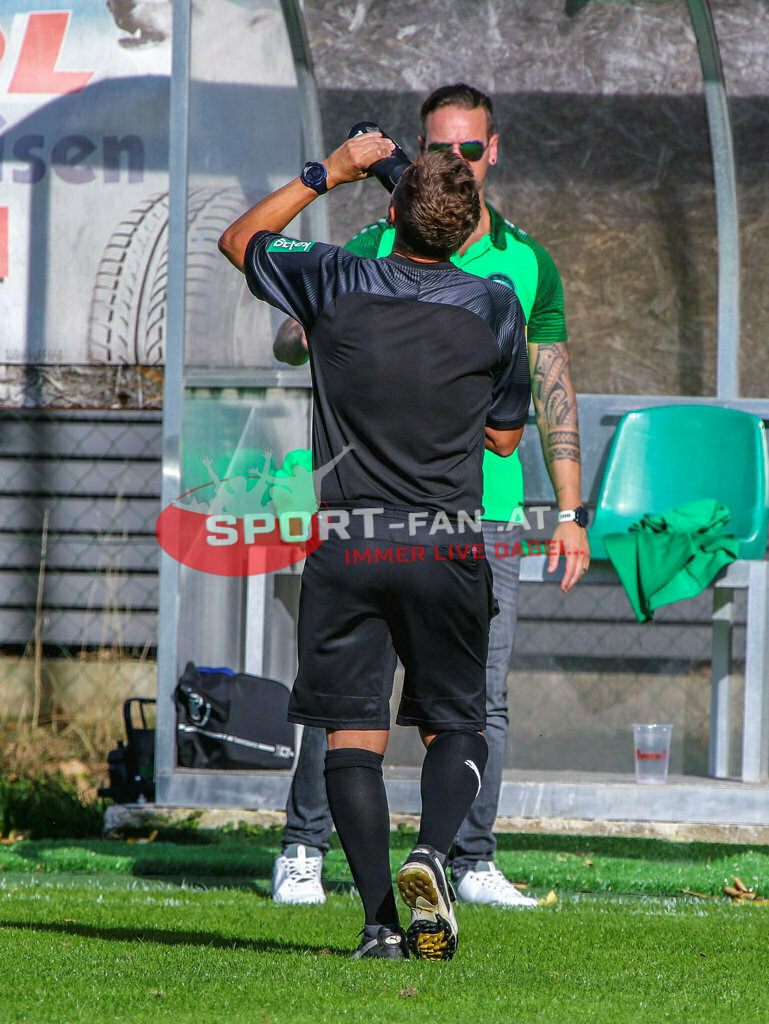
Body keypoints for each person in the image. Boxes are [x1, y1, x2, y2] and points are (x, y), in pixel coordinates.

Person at [271, 83, 591, 909]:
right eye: (439, 150)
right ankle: (306, 848)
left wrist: (568, 512)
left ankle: (457, 862)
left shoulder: (524, 265)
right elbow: (291, 335)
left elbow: (552, 383)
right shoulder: (372, 248)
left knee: (468, 700)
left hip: (473, 518)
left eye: (469, 150)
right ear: (417, 155)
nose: (456, 161)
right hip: (408, 517)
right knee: (354, 701)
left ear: (494, 151)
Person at [218, 138, 530, 959]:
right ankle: (431, 853)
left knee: (350, 736)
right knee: (457, 724)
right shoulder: (495, 304)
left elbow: (240, 238)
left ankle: (378, 924)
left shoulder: (333, 279)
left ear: (388, 217)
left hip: (349, 543)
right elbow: (503, 440)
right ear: (466, 234)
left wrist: (332, 172)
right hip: (447, 544)